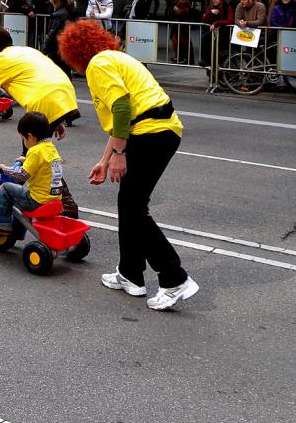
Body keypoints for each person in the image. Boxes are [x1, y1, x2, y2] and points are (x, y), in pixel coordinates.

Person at [57, 19, 198, 310]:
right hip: (158, 130)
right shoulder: (116, 58)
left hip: (151, 134)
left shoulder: (98, 64)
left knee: (134, 208)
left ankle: (174, 278)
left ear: (74, 52)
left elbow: (122, 108)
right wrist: (106, 159)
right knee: (129, 204)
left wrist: (119, 154)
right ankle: (130, 273)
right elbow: (123, 117)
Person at [0, 112, 63, 235]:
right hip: (55, 199)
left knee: (6, 188)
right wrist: (26, 160)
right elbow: (42, 165)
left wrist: (5, 168)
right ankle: (18, 231)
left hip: (38, 201)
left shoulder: (35, 151)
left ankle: (2, 225)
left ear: (30, 137)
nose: (24, 141)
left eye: (23, 138)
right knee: (20, 195)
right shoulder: (50, 148)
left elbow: (22, 175)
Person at [42, 0, 77, 77]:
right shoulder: (69, 10)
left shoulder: (60, 14)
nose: (49, 0)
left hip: (57, 51)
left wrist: (42, 51)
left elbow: (52, 34)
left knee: (58, 76)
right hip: (65, 50)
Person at [199, 0, 233, 68]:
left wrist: (216, 23)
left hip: (223, 31)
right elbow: (203, 19)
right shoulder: (210, 6)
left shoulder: (227, 6)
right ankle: (206, 61)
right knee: (206, 39)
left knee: (207, 39)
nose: (214, 0)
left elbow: (230, 20)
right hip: (212, 31)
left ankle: (208, 61)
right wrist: (210, 12)